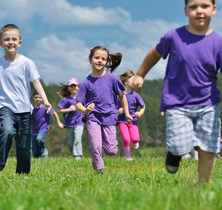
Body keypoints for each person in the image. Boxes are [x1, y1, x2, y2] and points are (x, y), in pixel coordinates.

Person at [132, 0, 222, 182]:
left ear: (213, 9)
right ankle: (174, 153)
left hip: (208, 103)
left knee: (208, 148)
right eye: (193, 7)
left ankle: (203, 187)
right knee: (179, 144)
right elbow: (154, 54)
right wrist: (140, 74)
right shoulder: (173, 37)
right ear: (185, 11)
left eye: (204, 6)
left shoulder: (218, 42)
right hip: (177, 103)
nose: (199, 11)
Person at [0, 23, 52, 175]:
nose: (11, 42)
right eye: (7, 39)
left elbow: (36, 82)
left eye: (14, 39)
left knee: (24, 145)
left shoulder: (27, 63)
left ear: (20, 42)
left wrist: (46, 100)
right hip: (5, 106)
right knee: (6, 131)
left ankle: (22, 173)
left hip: (24, 109)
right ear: (0, 43)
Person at [75, 46, 132, 173]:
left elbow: (123, 97)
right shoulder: (86, 82)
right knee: (96, 145)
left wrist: (127, 113)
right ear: (90, 60)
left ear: (107, 62)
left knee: (111, 151)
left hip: (110, 116)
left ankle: (107, 153)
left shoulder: (112, 78)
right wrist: (85, 110)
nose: (100, 61)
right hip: (93, 116)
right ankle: (99, 169)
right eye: (97, 58)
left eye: (103, 59)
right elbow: (78, 103)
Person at [118, 70, 145, 161]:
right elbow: (112, 107)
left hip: (133, 121)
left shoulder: (135, 95)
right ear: (126, 81)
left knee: (135, 138)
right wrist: (118, 111)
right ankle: (128, 157)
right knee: (126, 139)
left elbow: (143, 106)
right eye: (133, 80)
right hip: (122, 121)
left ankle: (135, 141)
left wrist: (140, 112)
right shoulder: (119, 95)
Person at [58, 78, 85, 160]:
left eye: (75, 86)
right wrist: (68, 109)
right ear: (68, 88)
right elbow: (60, 110)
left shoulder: (82, 98)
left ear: (78, 87)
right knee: (70, 142)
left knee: (77, 138)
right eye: (71, 86)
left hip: (80, 122)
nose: (73, 88)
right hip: (69, 123)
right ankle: (74, 153)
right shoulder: (65, 100)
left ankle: (78, 156)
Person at [32, 91, 63, 158]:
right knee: (34, 150)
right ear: (33, 98)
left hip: (44, 128)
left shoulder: (45, 108)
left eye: (40, 97)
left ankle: (44, 152)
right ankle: (37, 159)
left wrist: (59, 123)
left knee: (39, 139)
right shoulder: (31, 109)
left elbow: (54, 114)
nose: (38, 99)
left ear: (42, 99)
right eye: (36, 97)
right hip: (33, 130)